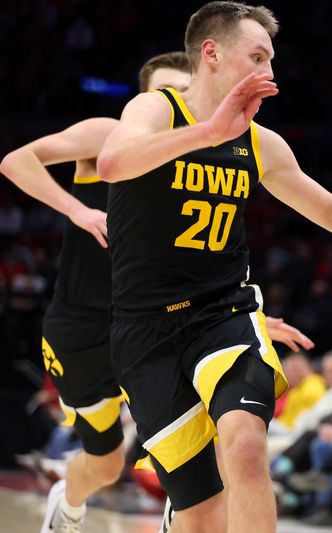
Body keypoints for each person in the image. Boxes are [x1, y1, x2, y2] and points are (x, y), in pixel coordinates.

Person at [95, 3, 332, 533]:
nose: (269, 73)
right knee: (199, 511)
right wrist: (208, 132)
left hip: (223, 311)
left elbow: (326, 207)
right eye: (257, 57)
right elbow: (112, 164)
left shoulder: (258, 140)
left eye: (271, 61)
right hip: (144, 329)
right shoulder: (154, 109)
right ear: (212, 54)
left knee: (246, 446)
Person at [0, 52, 190, 533]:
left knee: (195, 435)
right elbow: (15, 161)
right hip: (82, 325)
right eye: (165, 92)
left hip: (151, 322)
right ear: (142, 99)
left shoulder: (197, 158)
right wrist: (76, 210)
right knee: (104, 467)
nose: (176, 102)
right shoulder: (107, 133)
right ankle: (68, 496)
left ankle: (186, 513)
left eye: (186, 94)